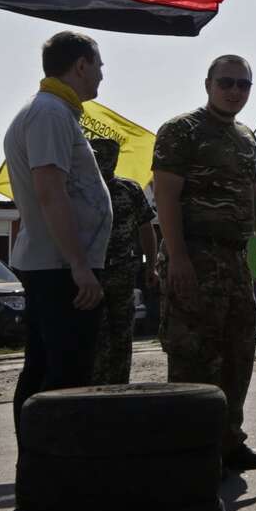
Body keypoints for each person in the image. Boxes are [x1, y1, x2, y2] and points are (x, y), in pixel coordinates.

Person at [151, 54, 256, 472]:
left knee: (238, 353)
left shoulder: (245, 137)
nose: (234, 91)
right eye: (226, 82)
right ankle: (190, 453)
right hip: (194, 254)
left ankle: (229, 443)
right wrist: (178, 258)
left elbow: (255, 194)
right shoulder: (181, 130)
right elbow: (165, 196)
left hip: (233, 259)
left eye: (243, 84)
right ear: (208, 84)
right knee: (193, 356)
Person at [1, 35, 114, 434]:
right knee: (65, 374)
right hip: (60, 267)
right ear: (81, 65)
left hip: (59, 264)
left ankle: (40, 461)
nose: (102, 74)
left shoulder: (56, 111)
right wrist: (79, 265)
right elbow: (51, 192)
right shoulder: (49, 112)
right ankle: (55, 461)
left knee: (47, 367)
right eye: (99, 65)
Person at [89, 138, 155, 384]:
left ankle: (118, 385)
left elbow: (146, 228)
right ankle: (96, 385)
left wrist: (150, 265)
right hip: (91, 272)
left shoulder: (129, 189)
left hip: (121, 270)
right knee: (96, 332)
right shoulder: (80, 187)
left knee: (121, 331)